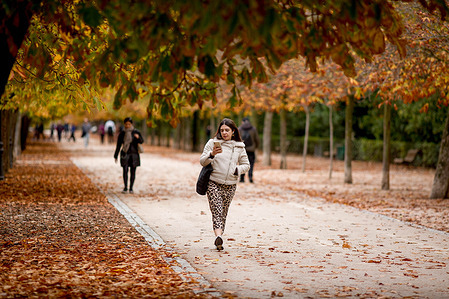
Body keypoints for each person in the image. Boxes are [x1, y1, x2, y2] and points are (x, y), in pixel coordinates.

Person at [200, 118, 250, 251]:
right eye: (222, 130)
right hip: (213, 182)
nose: (224, 133)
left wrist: (237, 170)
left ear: (233, 131)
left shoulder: (239, 146)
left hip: (230, 184)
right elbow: (202, 161)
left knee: (223, 212)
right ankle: (218, 236)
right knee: (217, 209)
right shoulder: (212, 143)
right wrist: (211, 154)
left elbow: (246, 165)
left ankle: (220, 237)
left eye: (227, 130)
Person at [114, 117, 144, 194]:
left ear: (131, 124)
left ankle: (131, 187)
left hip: (134, 154)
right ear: (124, 124)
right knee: (125, 170)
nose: (127, 125)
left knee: (133, 171)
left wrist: (138, 137)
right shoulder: (122, 133)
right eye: (126, 124)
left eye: (129, 124)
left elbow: (142, 141)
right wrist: (116, 155)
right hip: (125, 153)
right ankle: (125, 187)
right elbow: (118, 145)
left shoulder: (135, 132)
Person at [238, 117, 260, 183]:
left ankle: (242, 178)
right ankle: (250, 177)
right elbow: (257, 140)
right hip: (251, 150)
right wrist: (255, 147)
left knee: (242, 163)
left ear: (242, 122)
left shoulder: (240, 129)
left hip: (242, 149)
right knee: (251, 163)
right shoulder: (253, 129)